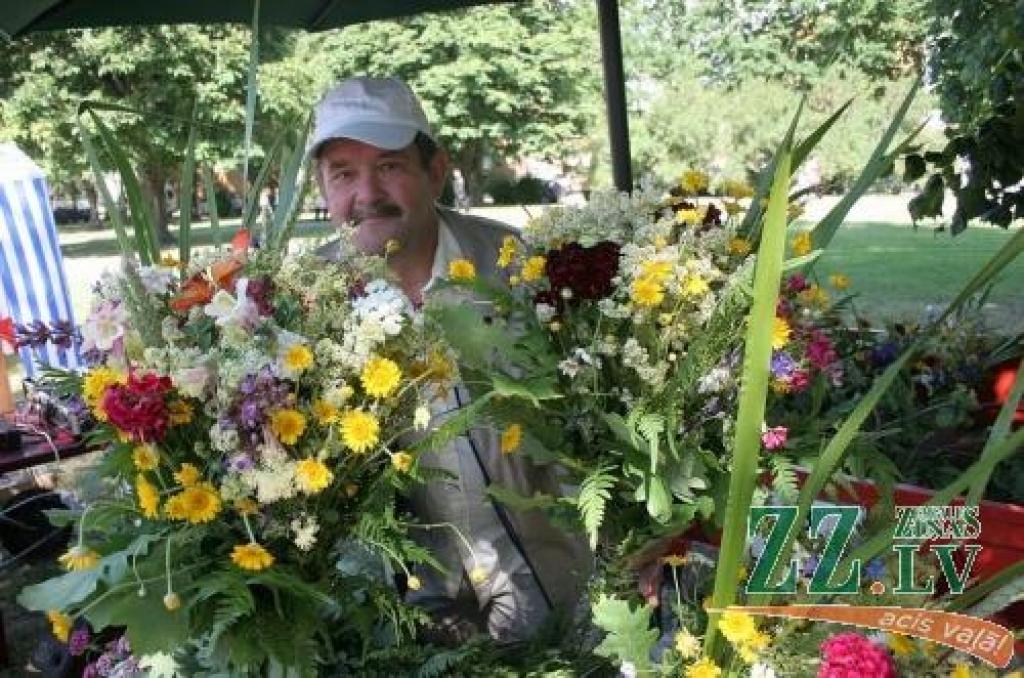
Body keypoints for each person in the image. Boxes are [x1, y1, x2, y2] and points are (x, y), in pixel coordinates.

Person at [308, 77, 591, 643]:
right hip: (402, 617)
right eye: (343, 173)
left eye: (389, 166)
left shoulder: (520, 268)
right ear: (322, 185)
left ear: (435, 171)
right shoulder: (303, 303)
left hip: (553, 584)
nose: (366, 194)